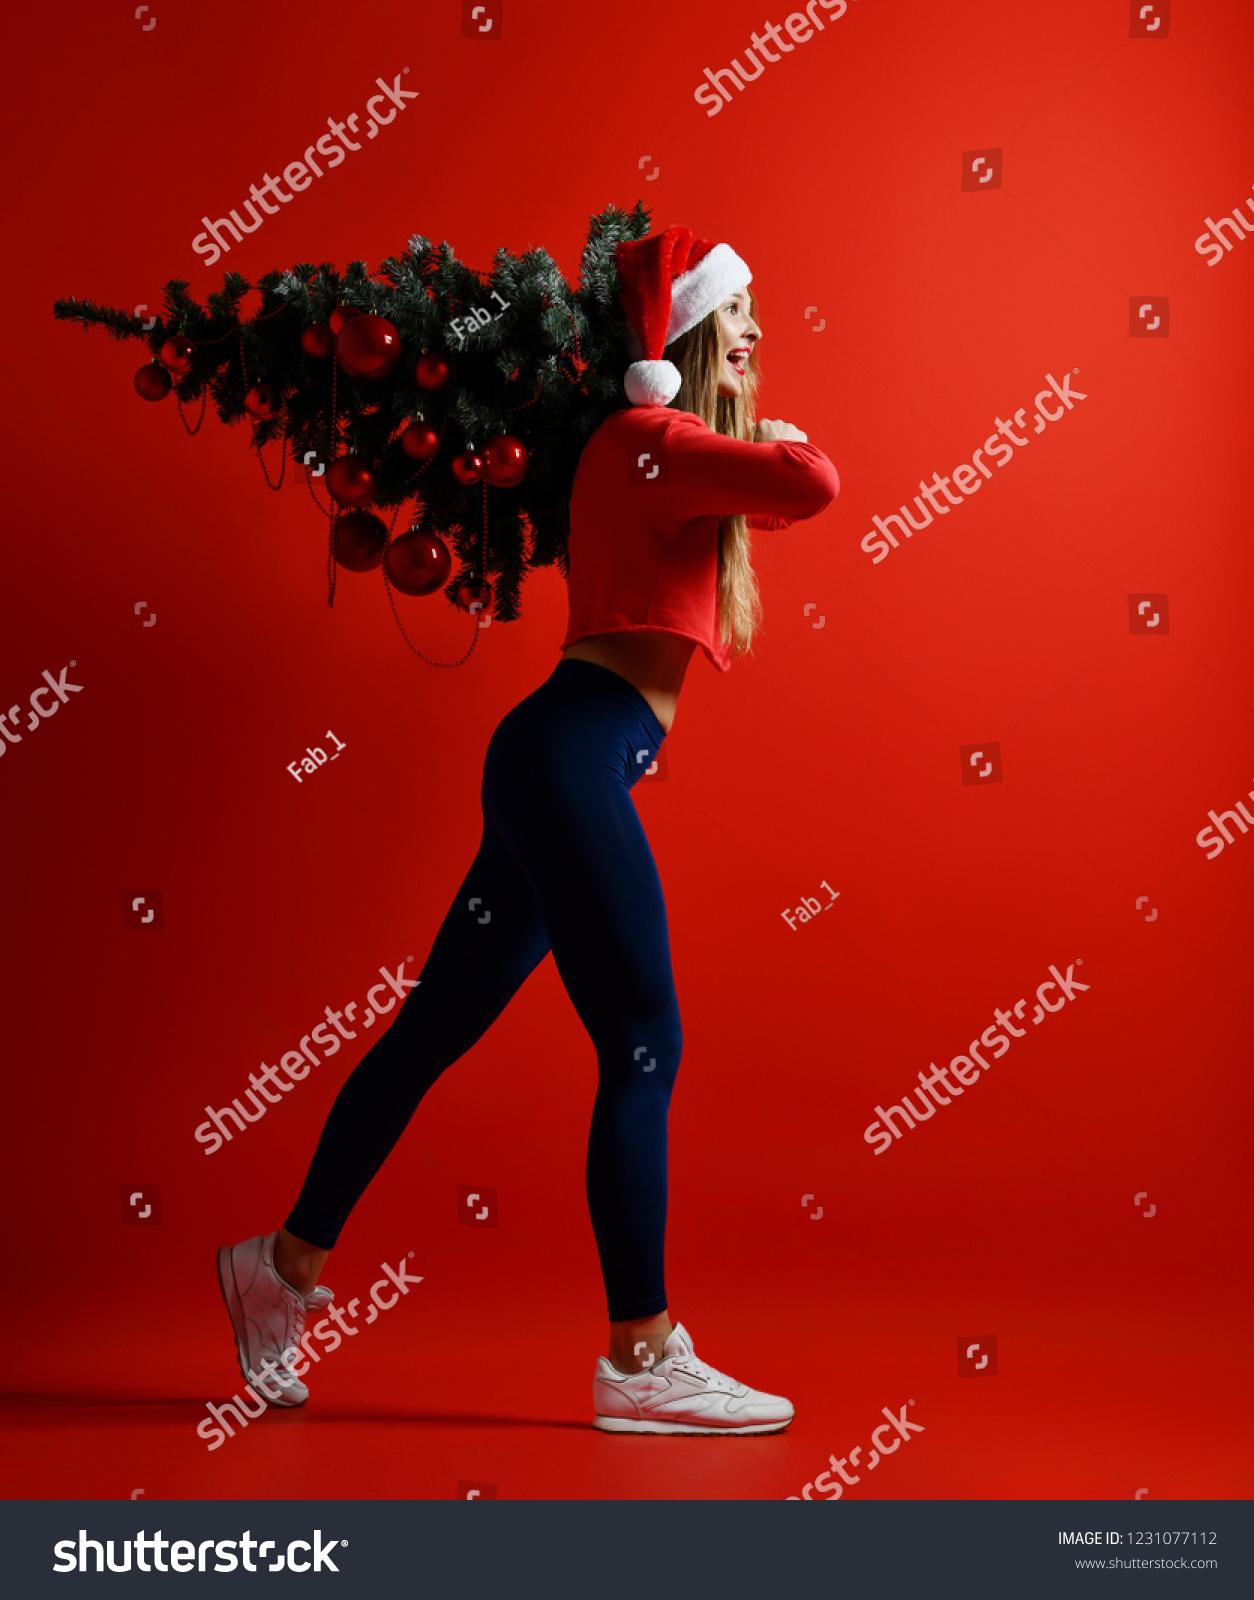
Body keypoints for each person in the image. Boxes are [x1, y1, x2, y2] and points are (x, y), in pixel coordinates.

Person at [217, 223, 840, 1435]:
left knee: (433, 1030)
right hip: (570, 757)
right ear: (689, 340)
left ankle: (278, 1268)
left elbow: (763, 506)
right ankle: (641, 1352)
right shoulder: (650, 439)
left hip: (563, 755)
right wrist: (775, 434)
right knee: (644, 1038)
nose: (763, 337)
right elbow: (813, 486)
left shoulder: (664, 448)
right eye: (744, 319)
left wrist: (753, 429)